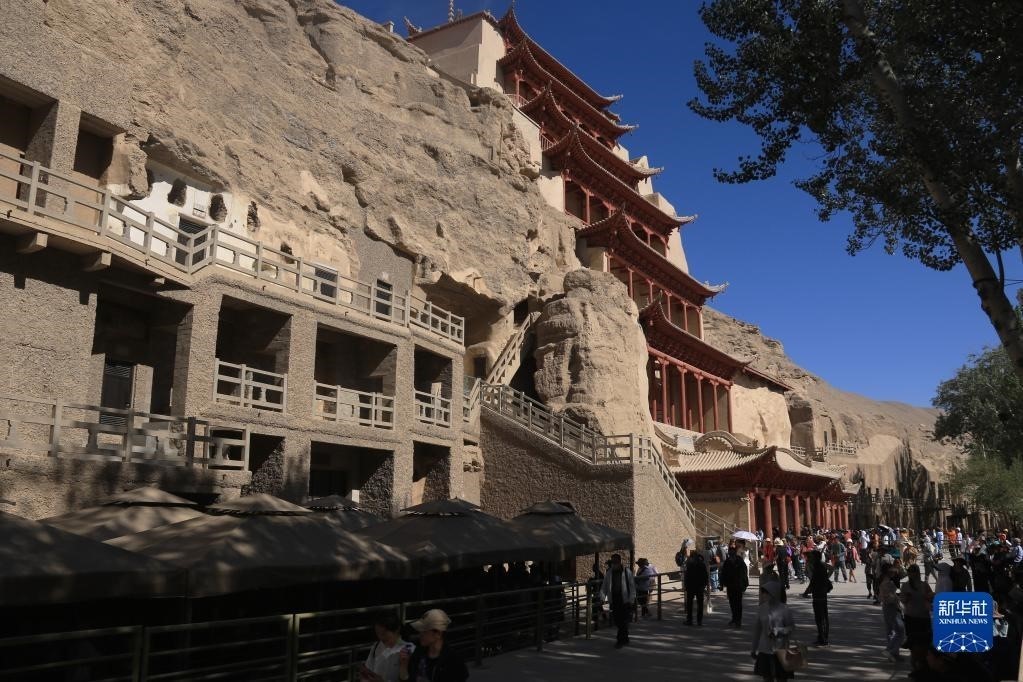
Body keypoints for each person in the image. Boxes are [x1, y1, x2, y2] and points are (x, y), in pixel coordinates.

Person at [398, 609, 468, 682]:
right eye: (420, 631)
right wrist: (403, 666)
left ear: (438, 634)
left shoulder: (453, 660)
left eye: (424, 631)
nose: (420, 634)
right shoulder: (418, 652)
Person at [751, 581, 796, 681]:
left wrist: (779, 630)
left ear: (773, 593)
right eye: (763, 592)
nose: (763, 595)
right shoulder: (761, 608)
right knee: (767, 678)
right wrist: (753, 649)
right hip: (765, 650)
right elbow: (757, 631)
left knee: (782, 678)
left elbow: (791, 628)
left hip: (781, 649)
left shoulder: (784, 609)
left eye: (766, 592)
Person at [899, 565, 934, 675]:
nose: (911, 574)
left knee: (924, 645)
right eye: (910, 572)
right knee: (914, 646)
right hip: (911, 618)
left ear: (918, 573)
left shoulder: (924, 585)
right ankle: (915, 668)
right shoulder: (905, 585)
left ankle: (923, 667)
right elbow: (902, 599)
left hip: (923, 617)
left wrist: (930, 597)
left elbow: (931, 597)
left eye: (913, 572)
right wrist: (907, 598)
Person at [599, 553, 636, 648]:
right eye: (612, 562)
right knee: (617, 621)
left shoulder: (627, 572)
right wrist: (602, 597)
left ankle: (620, 640)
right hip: (614, 601)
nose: (613, 564)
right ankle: (625, 638)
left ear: (619, 562)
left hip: (625, 601)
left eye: (615, 562)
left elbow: (632, 587)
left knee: (623, 621)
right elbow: (604, 586)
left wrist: (631, 600)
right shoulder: (609, 573)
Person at [362, 613, 412, 682]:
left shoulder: (408, 649)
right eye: (377, 633)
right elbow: (369, 668)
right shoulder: (377, 646)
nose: (380, 637)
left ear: (397, 630)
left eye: (384, 634)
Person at [878, 563, 906, 663]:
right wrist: (898, 598)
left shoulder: (886, 581)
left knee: (892, 631)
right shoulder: (887, 583)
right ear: (889, 571)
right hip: (891, 608)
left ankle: (894, 653)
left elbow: (903, 573)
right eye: (893, 570)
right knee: (900, 631)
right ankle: (890, 650)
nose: (895, 571)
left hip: (888, 608)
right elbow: (889, 598)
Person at [802, 549, 830, 646]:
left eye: (811, 557)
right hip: (822, 593)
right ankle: (823, 637)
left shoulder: (817, 567)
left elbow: (813, 582)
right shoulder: (821, 566)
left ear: (815, 558)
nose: (810, 558)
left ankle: (822, 638)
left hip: (818, 594)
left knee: (819, 617)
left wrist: (806, 592)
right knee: (824, 616)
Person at [720, 546, 750, 627]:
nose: (731, 554)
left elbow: (744, 572)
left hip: (737, 585)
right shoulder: (728, 562)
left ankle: (738, 620)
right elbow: (723, 573)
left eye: (731, 553)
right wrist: (722, 584)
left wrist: (745, 584)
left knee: (737, 603)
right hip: (731, 585)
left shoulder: (739, 561)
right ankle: (734, 618)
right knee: (732, 603)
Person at [684, 551, 710, 626]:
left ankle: (690, 620)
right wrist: (704, 585)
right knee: (699, 604)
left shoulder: (690, 565)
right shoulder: (701, 564)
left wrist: (686, 586)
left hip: (692, 587)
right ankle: (699, 620)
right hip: (699, 587)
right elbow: (705, 576)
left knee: (690, 604)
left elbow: (687, 576)